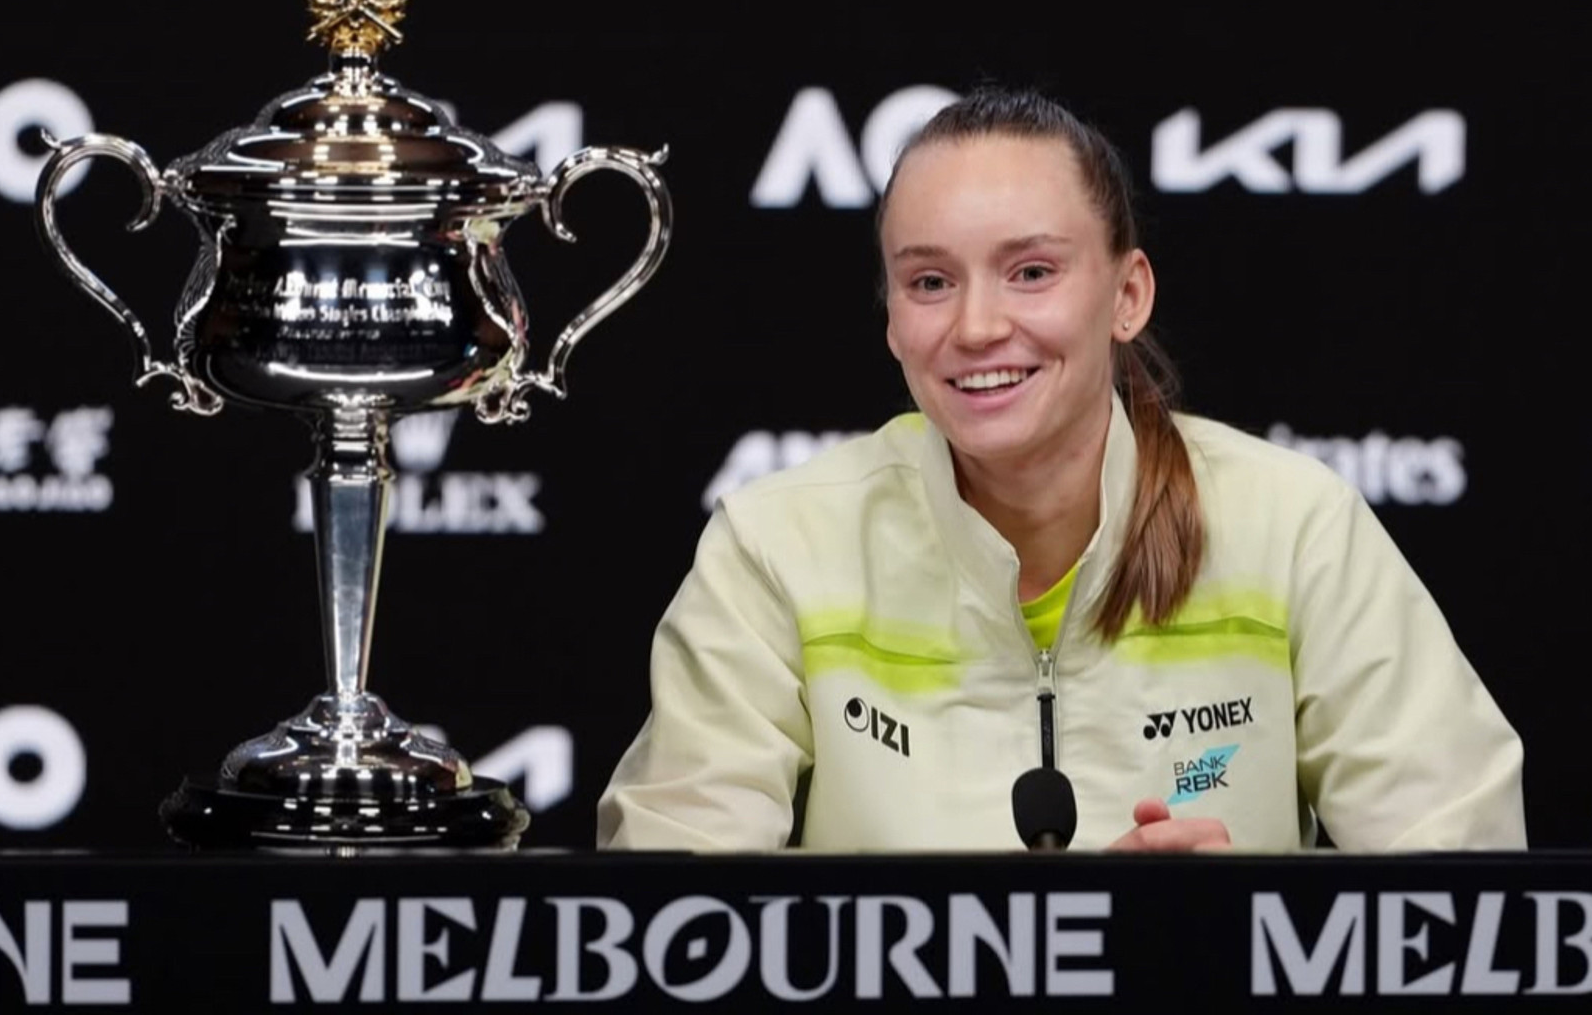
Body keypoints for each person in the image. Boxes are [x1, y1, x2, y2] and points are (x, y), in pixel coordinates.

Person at [596, 86, 1526, 853]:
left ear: (1127, 295)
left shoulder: (1297, 528)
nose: (975, 328)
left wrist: (1237, 945)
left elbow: (1463, 898)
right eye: (929, 282)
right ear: (890, 320)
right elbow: (677, 919)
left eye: (1031, 272)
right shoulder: (776, 546)